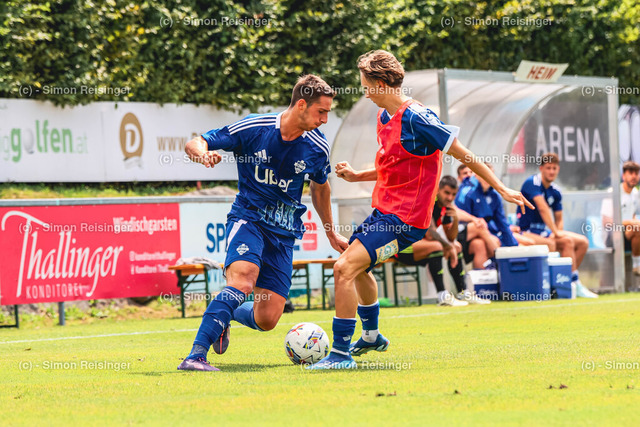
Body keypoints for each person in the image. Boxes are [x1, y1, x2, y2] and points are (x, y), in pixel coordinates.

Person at [307, 50, 533, 370]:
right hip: (384, 212)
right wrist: (358, 176)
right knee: (357, 269)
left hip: (405, 220)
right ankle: (371, 336)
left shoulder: (418, 118)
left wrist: (501, 188)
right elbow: (393, 166)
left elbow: (463, 154)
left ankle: (340, 355)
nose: (365, 93)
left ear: (381, 84)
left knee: (344, 268)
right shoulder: (384, 117)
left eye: (366, 86)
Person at [177, 75, 348, 372]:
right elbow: (196, 142)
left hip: (283, 234)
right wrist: (203, 154)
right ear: (302, 105)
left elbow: (320, 187)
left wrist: (331, 233)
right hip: (249, 219)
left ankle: (225, 314)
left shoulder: (317, 147)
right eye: (321, 112)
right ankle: (195, 356)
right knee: (243, 280)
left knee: (267, 319)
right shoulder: (255, 127)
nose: (324, 120)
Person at [395, 175, 490, 306]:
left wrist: (455, 219)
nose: (450, 197)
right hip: (401, 247)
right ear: (438, 190)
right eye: (446, 193)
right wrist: (448, 246)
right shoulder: (427, 202)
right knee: (438, 246)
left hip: (421, 247)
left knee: (456, 246)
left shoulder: (446, 206)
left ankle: (463, 293)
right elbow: (430, 234)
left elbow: (450, 237)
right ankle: (442, 296)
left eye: (453, 194)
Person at [518, 153, 597, 298]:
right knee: (555, 243)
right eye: (548, 168)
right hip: (526, 231)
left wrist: (557, 232)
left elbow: (559, 218)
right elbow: (543, 208)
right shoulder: (532, 182)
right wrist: (555, 232)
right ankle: (556, 284)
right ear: (541, 168)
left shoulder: (556, 191)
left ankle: (571, 282)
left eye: (554, 168)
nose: (551, 171)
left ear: (558, 169)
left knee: (582, 242)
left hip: (545, 232)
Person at [456, 162, 534, 250]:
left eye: (490, 175)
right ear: (476, 175)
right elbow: (463, 221)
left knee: (527, 243)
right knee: (482, 243)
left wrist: (513, 245)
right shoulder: (467, 193)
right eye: (484, 175)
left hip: (492, 231)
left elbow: (501, 222)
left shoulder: (495, 195)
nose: (487, 178)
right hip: (472, 234)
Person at [601, 161, 640, 275]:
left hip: (629, 233)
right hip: (612, 234)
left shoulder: (635, 193)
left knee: (637, 228)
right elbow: (606, 222)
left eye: (636, 173)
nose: (634, 176)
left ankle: (636, 266)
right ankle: (636, 266)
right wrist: (630, 223)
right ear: (623, 176)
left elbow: (632, 213)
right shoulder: (613, 193)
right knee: (635, 227)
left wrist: (633, 222)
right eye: (631, 173)